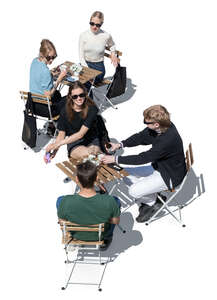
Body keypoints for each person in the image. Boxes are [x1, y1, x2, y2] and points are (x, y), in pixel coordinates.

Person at [102, 105, 187, 223]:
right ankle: (151, 198)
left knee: (133, 191)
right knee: (124, 173)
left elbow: (143, 158)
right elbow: (141, 137)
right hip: (160, 166)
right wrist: (120, 144)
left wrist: (115, 159)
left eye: (146, 122)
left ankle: (153, 202)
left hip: (170, 176)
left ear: (156, 124)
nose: (145, 124)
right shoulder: (163, 126)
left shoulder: (167, 140)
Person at [57, 161, 120, 250]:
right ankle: (107, 238)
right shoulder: (110, 201)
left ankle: (74, 238)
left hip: (75, 234)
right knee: (116, 202)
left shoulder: (64, 201)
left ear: (77, 179)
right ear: (96, 179)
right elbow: (115, 221)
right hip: (99, 236)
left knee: (59, 201)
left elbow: (61, 222)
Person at [44, 81, 101, 162]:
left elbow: (80, 134)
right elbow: (61, 134)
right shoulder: (65, 110)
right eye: (75, 96)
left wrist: (56, 145)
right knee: (88, 155)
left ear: (85, 94)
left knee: (93, 154)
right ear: (70, 96)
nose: (79, 98)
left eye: (81, 95)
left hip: (91, 139)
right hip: (73, 142)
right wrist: (54, 151)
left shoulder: (91, 108)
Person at [79, 11, 118, 87]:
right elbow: (81, 56)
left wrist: (113, 54)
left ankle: (86, 97)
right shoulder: (83, 35)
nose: (94, 27)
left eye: (98, 25)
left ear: (101, 24)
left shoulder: (105, 35)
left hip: (98, 67)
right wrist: (87, 71)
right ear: (89, 22)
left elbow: (112, 45)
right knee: (72, 76)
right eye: (92, 23)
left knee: (84, 82)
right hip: (85, 64)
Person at [29, 39, 67, 118]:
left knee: (57, 94)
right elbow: (48, 95)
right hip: (45, 109)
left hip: (33, 103)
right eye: (49, 57)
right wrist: (59, 80)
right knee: (70, 98)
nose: (51, 60)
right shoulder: (45, 71)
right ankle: (64, 125)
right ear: (42, 54)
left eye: (54, 57)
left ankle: (53, 125)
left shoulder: (34, 61)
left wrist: (51, 74)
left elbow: (39, 76)